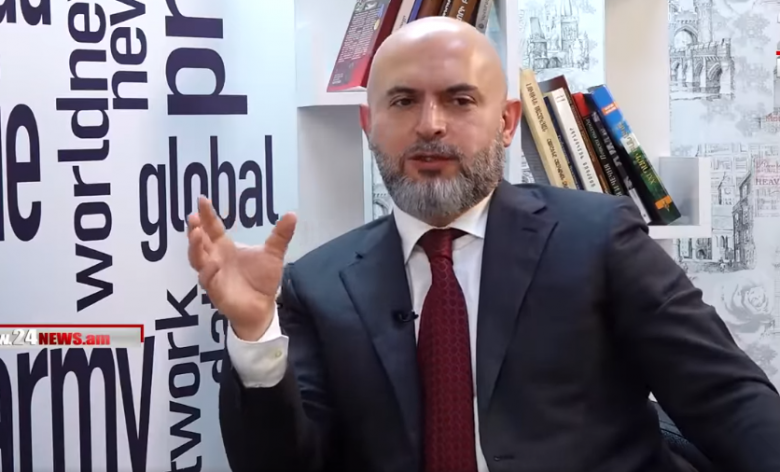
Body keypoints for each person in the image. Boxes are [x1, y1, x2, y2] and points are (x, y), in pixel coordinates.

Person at [187, 16, 780, 472]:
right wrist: (255, 334)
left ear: (507, 121)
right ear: (369, 126)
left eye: (460, 99)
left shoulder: (599, 238)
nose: (430, 124)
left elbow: (724, 396)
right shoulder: (318, 284)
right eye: (403, 101)